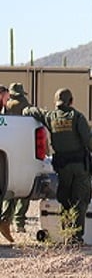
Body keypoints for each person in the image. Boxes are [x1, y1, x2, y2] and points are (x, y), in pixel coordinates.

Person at [24, 88, 92, 244]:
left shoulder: (51, 116)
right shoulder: (77, 117)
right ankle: (76, 238)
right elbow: (88, 140)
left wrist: (24, 107)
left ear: (56, 102)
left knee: (65, 200)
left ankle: (66, 234)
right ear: (71, 101)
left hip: (62, 167)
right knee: (80, 200)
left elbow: (31, 111)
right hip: (79, 167)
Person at [0, 83, 32, 238]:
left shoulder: (5, 107)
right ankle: (18, 222)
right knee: (21, 191)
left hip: (6, 152)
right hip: (23, 152)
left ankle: (6, 219)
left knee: (6, 189)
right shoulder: (26, 106)